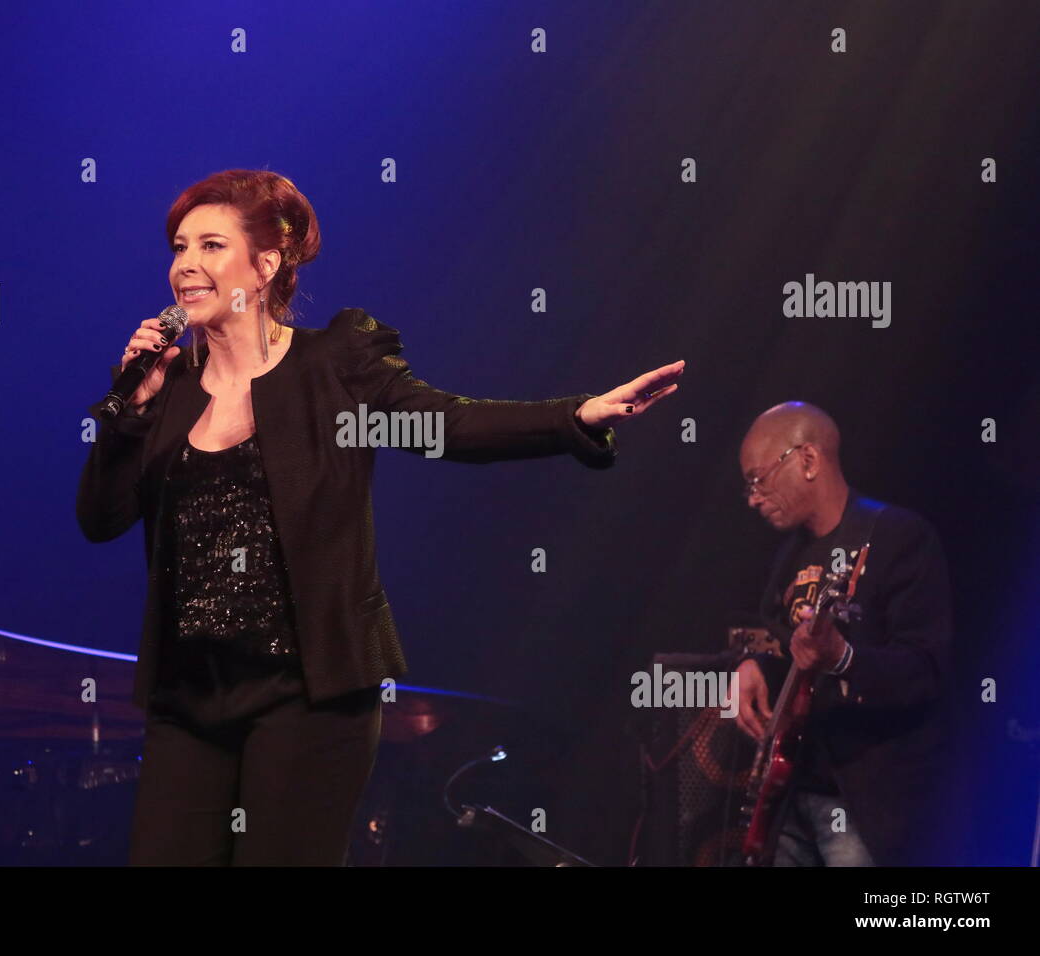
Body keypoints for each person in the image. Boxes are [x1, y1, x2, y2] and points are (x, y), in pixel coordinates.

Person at [76, 168, 685, 866]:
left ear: (267, 262)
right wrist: (132, 412)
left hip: (307, 696)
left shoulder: (335, 363)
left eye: (211, 245)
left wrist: (572, 416)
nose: (186, 265)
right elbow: (100, 517)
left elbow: (446, 425)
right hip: (188, 697)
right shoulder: (170, 387)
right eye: (179, 246)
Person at [732, 402, 952, 866]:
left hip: (861, 801)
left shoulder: (898, 537)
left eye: (758, 479)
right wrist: (753, 666)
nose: (751, 498)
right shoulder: (787, 557)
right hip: (788, 791)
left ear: (807, 460)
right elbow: (784, 648)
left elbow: (925, 671)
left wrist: (844, 657)